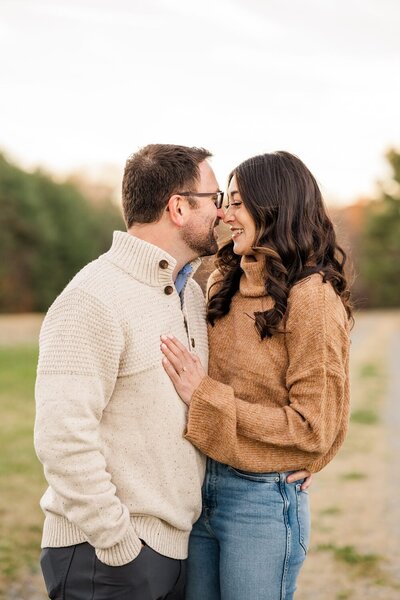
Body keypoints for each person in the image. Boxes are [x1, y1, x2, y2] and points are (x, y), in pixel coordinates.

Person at [34, 143, 225, 600]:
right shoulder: (92, 298)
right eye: (215, 199)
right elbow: (62, 439)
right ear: (178, 207)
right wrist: (119, 544)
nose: (222, 212)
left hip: (174, 551)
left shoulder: (191, 296)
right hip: (106, 555)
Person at [161, 151, 352, 600]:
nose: (224, 213)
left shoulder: (313, 298)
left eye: (238, 203)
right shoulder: (221, 283)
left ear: (275, 207)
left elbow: (315, 421)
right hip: (201, 485)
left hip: (261, 501)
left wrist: (206, 396)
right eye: (225, 200)